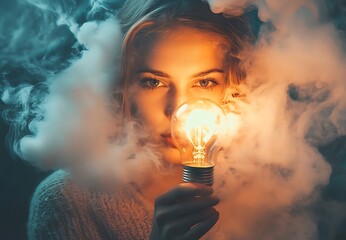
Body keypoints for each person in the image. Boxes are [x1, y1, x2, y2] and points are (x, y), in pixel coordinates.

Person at [27, 0, 251, 239]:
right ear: (121, 86)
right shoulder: (69, 200)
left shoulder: (267, 187)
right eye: (153, 82)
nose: (177, 109)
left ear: (233, 84)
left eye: (204, 82)